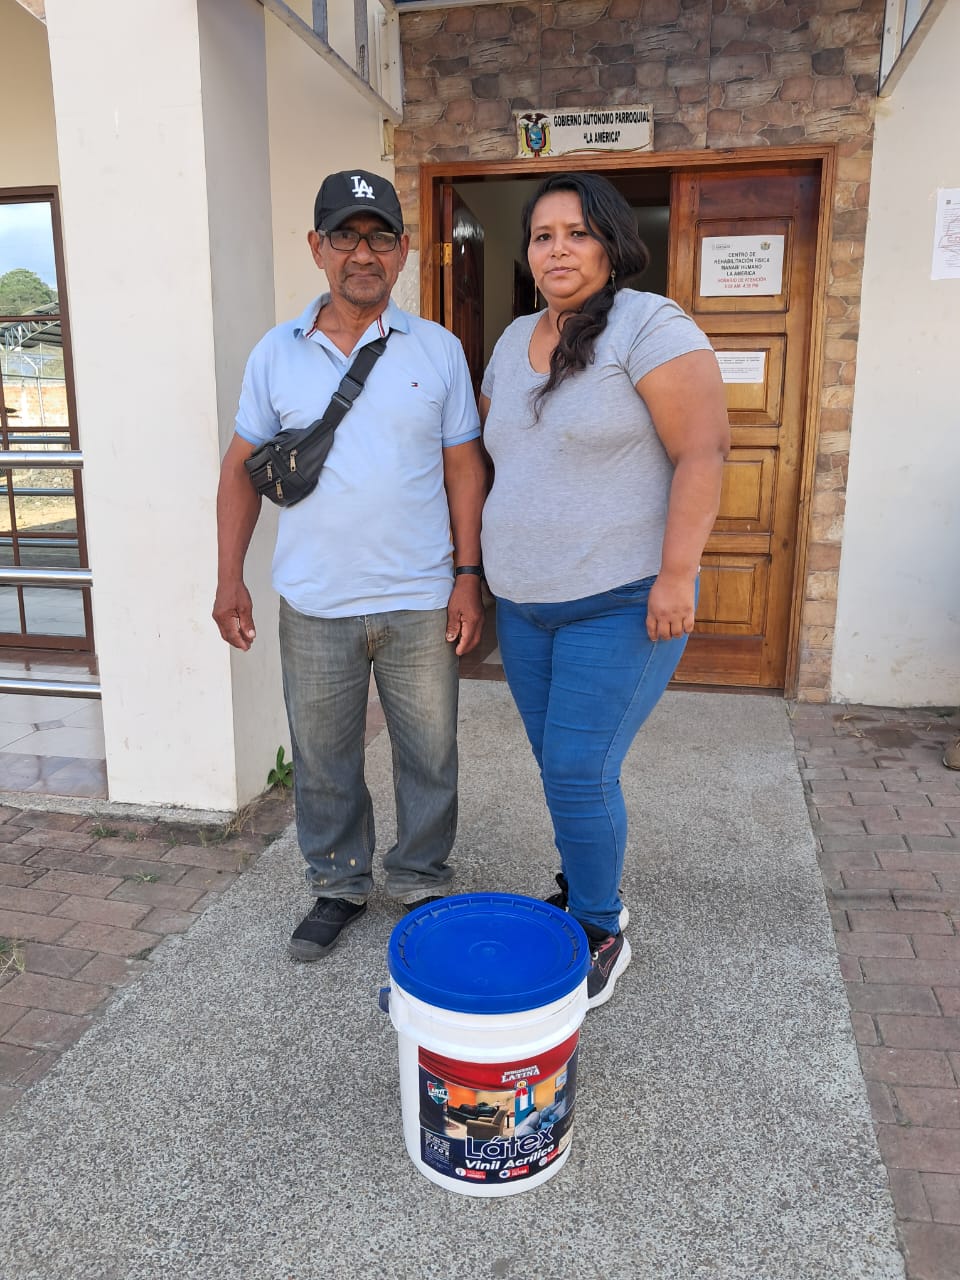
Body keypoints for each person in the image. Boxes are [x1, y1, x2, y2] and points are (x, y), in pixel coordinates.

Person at [213, 169, 487, 961]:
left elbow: (463, 469)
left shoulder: (437, 350)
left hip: (419, 597)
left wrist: (468, 577)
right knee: (324, 759)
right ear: (316, 247)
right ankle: (338, 884)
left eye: (379, 237)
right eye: (344, 235)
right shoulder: (276, 354)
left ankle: (420, 880)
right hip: (314, 600)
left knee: (429, 755)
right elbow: (240, 471)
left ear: (404, 250)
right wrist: (229, 577)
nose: (362, 253)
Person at [479, 171, 730, 1009]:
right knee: (560, 768)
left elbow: (704, 451)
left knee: (580, 768)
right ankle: (582, 884)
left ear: (612, 244)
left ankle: (599, 926)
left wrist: (678, 574)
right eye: (543, 235)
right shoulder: (512, 340)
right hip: (525, 606)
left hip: (621, 599)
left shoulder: (649, 324)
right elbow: (502, 459)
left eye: (577, 232)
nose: (558, 249)